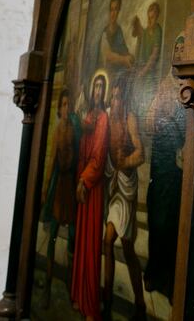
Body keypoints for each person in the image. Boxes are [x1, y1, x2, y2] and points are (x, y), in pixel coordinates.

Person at [143, 34, 186, 299]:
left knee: (171, 224)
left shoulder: (190, 84)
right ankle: (153, 274)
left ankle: (168, 279)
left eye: (183, 48)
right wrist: (161, 118)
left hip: (178, 167)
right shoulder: (163, 85)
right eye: (176, 47)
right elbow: (148, 122)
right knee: (156, 219)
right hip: (160, 166)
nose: (179, 52)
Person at [102, 77, 146, 320]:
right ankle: (107, 303)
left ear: (125, 98)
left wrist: (123, 163)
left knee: (127, 248)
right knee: (108, 241)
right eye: (114, 96)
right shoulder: (109, 118)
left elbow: (141, 152)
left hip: (127, 186)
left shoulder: (130, 119)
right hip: (114, 186)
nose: (115, 101)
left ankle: (139, 304)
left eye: (119, 97)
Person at [71, 73, 109, 321]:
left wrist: (85, 181)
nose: (96, 90)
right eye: (94, 85)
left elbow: (99, 154)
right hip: (81, 183)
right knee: (81, 241)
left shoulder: (104, 118)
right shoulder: (88, 117)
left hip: (92, 187)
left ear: (103, 91)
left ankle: (91, 306)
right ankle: (78, 296)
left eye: (100, 86)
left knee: (92, 244)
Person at [40, 89, 81, 308]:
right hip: (59, 187)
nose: (66, 108)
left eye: (68, 104)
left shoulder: (74, 131)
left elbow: (76, 155)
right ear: (59, 109)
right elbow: (51, 163)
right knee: (53, 235)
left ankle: (70, 285)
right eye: (63, 105)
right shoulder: (57, 132)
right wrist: (46, 187)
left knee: (73, 236)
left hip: (70, 186)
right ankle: (47, 283)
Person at [100, 0, 133, 77]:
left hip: (119, 72)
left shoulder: (119, 30)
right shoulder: (105, 32)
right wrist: (124, 59)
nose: (113, 13)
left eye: (116, 9)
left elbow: (123, 49)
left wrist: (129, 56)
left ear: (119, 11)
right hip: (108, 74)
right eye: (111, 10)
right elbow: (107, 55)